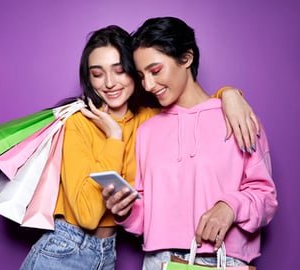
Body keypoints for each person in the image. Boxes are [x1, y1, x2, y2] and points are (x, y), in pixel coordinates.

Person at [21, 24, 261, 270]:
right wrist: (114, 137)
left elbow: (192, 107)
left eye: (119, 70)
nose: (109, 83)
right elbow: (89, 216)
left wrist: (230, 94)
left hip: (108, 253)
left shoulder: (150, 120)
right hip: (64, 249)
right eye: (97, 73)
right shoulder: (79, 122)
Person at [103, 17, 278, 270]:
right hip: (159, 262)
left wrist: (231, 206)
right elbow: (143, 217)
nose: (148, 85)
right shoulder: (147, 131)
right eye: (141, 76)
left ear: (186, 58)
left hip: (225, 260)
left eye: (155, 71)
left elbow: (266, 198)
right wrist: (125, 211)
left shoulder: (239, 117)